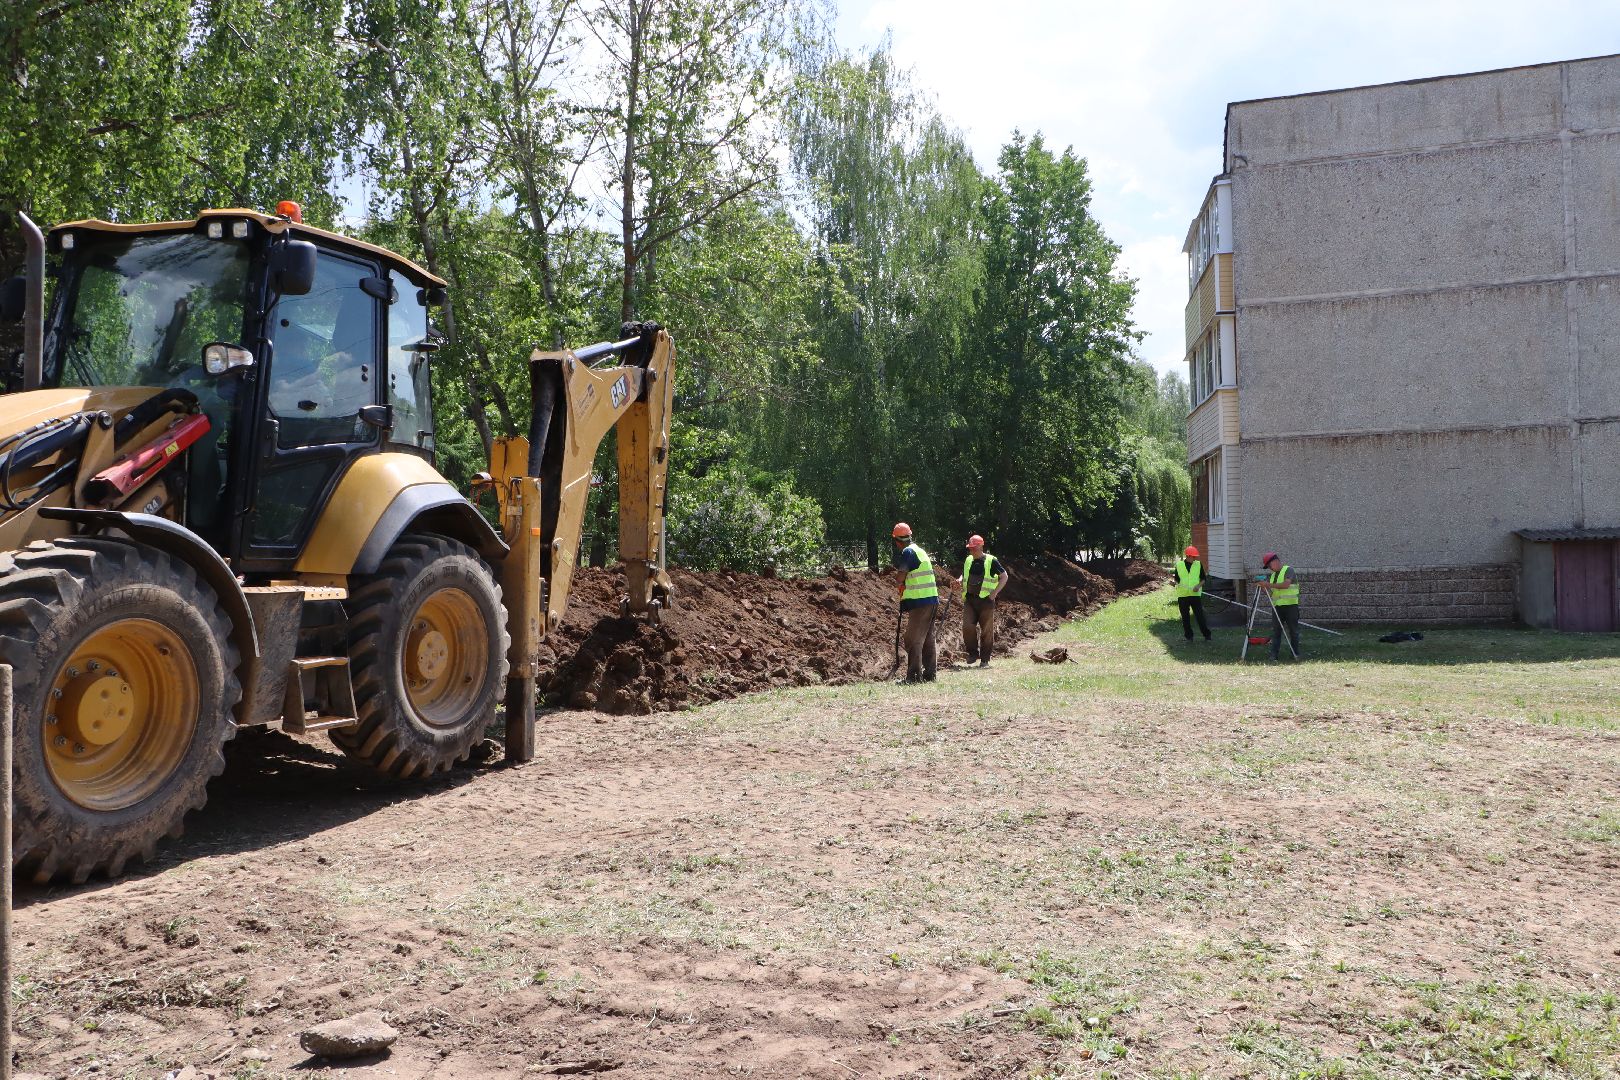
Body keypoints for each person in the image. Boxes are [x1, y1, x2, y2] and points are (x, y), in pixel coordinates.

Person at [890, 522, 939, 683]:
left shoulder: (908, 552)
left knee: (913, 638)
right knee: (928, 638)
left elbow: (901, 575)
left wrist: (898, 582)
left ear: (897, 541)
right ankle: (930, 674)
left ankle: (913, 676)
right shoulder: (920, 551)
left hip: (920, 601)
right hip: (931, 599)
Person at [959, 534, 1008, 667]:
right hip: (970, 600)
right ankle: (973, 653)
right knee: (967, 627)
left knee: (986, 631)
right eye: (970, 548)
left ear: (981, 546)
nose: (972, 550)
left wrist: (994, 593)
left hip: (986, 602)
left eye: (974, 548)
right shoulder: (968, 560)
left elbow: (1004, 577)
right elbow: (964, 575)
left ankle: (985, 659)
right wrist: (958, 581)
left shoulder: (991, 561)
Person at [1256, 551, 1301, 660]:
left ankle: (1295, 654)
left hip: (1291, 606)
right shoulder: (1272, 576)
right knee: (1276, 632)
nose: (1270, 568)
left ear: (1275, 561)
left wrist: (1268, 584)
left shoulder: (1288, 570)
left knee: (1293, 631)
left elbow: (1286, 585)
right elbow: (1273, 593)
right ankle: (1273, 655)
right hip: (1277, 607)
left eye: (1269, 565)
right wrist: (1264, 589)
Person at [1176, 545, 1211, 643]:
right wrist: (1174, 582)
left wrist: (1198, 586)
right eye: (1193, 556)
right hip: (1182, 595)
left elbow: (1204, 579)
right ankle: (1189, 637)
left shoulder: (1198, 564)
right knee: (1185, 618)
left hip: (1195, 595)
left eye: (1195, 556)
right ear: (1188, 556)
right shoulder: (1179, 565)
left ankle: (1207, 635)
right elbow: (1177, 580)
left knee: (1200, 617)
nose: (1195, 558)